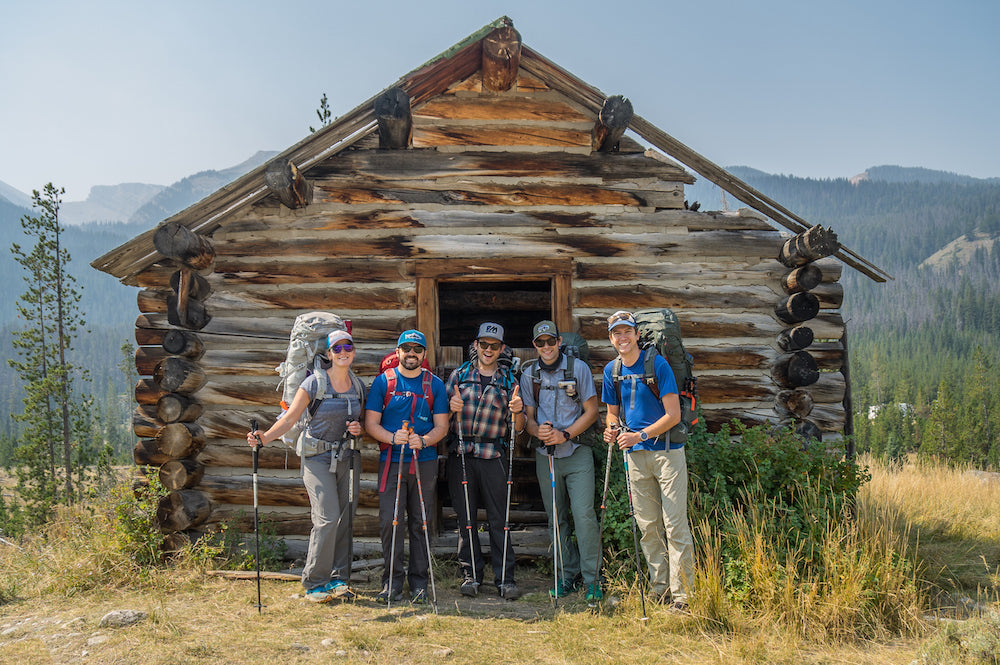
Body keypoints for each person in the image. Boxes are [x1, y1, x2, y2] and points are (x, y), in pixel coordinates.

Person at [248, 329, 364, 603]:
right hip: (317, 458)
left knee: (344, 519)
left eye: (348, 347)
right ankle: (315, 582)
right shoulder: (313, 384)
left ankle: (338, 578)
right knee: (326, 518)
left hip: (348, 458)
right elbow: (289, 420)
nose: (343, 352)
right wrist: (264, 437)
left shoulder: (359, 386)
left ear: (354, 352)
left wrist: (358, 429)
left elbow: (363, 423)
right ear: (329, 354)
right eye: (337, 348)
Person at [600, 310, 695, 611]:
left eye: (627, 331)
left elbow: (673, 415)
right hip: (635, 458)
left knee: (675, 524)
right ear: (611, 338)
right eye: (617, 333)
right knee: (648, 526)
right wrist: (611, 430)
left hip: (667, 454)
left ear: (637, 335)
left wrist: (639, 436)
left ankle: (683, 596)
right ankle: (661, 588)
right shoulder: (611, 371)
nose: (623, 337)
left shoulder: (658, 364)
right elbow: (612, 413)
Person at [364, 330, 450, 604]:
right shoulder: (383, 383)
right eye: (406, 348)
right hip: (391, 461)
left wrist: (423, 441)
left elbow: (442, 427)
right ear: (398, 351)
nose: (411, 353)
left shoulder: (434, 385)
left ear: (424, 354)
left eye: (417, 349)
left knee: (420, 522)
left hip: (423, 462)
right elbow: (371, 424)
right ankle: (391, 582)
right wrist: (392, 437)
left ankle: (419, 583)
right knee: (391, 521)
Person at [519, 320, 602, 602]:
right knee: (557, 519)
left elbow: (591, 411)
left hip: (577, 453)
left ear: (558, 343)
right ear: (535, 346)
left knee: (584, 517)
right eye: (540, 343)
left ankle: (592, 580)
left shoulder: (577, 368)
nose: (546, 347)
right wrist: (537, 431)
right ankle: (566, 576)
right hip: (546, 457)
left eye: (550, 341)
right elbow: (528, 418)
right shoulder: (529, 373)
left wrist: (565, 434)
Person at [446, 322, 525, 599]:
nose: (488, 350)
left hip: (494, 456)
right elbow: (442, 417)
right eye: (483, 344)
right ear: (476, 345)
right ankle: (471, 576)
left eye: (494, 346)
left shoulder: (509, 381)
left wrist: (519, 411)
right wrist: (449, 406)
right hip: (462, 454)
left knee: (498, 519)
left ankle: (505, 578)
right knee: (465, 519)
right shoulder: (459, 376)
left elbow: (519, 428)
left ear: (501, 348)